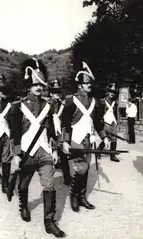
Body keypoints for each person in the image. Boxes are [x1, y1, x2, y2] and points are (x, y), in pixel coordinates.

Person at [8, 58, 65, 238]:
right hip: (26, 151)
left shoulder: (48, 106)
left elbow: (52, 131)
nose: (39, 88)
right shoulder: (18, 107)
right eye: (35, 85)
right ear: (28, 87)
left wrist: (54, 149)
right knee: (23, 184)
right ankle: (23, 205)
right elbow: (14, 133)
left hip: (44, 152)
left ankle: (49, 222)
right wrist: (16, 154)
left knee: (49, 185)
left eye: (41, 84)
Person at [61, 62, 111, 212]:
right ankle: (74, 196)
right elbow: (65, 123)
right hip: (76, 138)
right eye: (86, 83)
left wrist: (105, 137)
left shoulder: (94, 102)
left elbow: (97, 122)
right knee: (81, 168)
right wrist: (65, 141)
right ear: (80, 85)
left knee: (86, 168)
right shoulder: (70, 100)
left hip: (89, 139)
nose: (89, 85)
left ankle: (82, 197)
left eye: (90, 83)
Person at [48, 78, 71, 185]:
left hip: (60, 131)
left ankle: (67, 177)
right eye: (54, 91)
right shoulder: (47, 104)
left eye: (58, 91)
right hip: (49, 132)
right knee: (50, 155)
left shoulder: (63, 104)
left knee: (63, 155)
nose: (56, 93)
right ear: (50, 92)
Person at [98, 83, 120, 162]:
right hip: (106, 121)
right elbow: (100, 114)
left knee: (114, 138)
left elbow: (116, 113)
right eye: (111, 91)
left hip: (113, 121)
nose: (112, 93)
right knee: (106, 137)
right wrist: (101, 122)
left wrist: (117, 121)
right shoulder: (102, 101)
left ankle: (112, 155)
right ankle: (98, 150)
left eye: (113, 92)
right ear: (107, 92)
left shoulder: (115, 102)